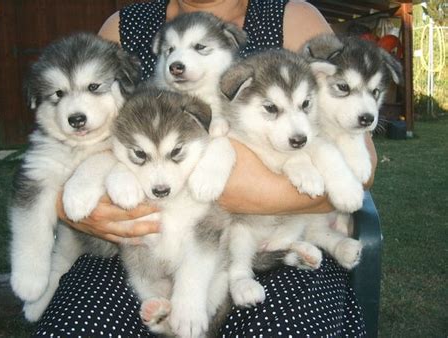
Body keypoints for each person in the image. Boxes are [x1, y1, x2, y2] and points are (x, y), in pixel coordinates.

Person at [34, 0, 376, 336]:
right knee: (76, 328)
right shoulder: (122, 26)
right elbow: (92, 137)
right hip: (138, 245)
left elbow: (359, 167)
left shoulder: (293, 16)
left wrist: (242, 193)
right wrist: (74, 201)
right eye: (170, 52)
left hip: (265, 239)